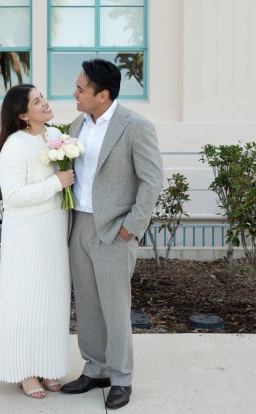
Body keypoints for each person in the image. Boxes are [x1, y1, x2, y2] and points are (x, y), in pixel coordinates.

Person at [61, 59, 164, 409]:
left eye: (80, 88)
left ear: (102, 94)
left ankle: (121, 377)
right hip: (80, 226)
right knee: (88, 305)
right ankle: (96, 368)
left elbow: (152, 182)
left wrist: (130, 230)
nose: (74, 93)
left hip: (115, 232)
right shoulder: (75, 125)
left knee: (115, 307)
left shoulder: (136, 126)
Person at [0, 84, 75, 399]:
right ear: (23, 114)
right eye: (37, 101)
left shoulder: (54, 135)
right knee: (27, 301)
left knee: (52, 300)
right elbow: (13, 197)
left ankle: (48, 365)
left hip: (54, 230)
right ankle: (25, 371)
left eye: (43, 96)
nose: (45, 102)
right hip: (27, 235)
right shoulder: (15, 146)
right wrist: (56, 182)